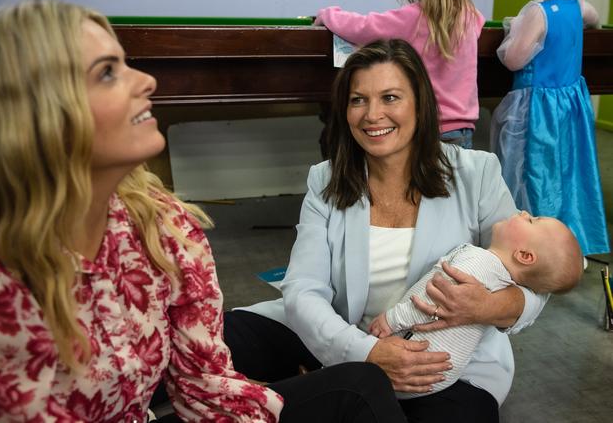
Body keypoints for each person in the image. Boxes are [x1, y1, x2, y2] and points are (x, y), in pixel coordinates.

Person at [0, 0, 408, 423]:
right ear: (33, 111)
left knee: (357, 387)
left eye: (391, 98)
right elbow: (304, 290)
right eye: (106, 73)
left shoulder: (161, 223)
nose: (146, 82)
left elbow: (204, 384)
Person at [225, 39, 549, 423]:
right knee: (212, 336)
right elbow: (304, 289)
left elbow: (533, 283)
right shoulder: (325, 178)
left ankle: (296, 393)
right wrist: (366, 352)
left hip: (445, 360)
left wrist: (489, 306)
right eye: (358, 100)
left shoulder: (476, 173)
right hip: (346, 337)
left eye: (390, 97)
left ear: (420, 103)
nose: (372, 115)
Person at [369, 210, 583, 398]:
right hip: (439, 380)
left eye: (532, 221)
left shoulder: (480, 264)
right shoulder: (501, 280)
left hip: (410, 369)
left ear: (524, 255)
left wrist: (392, 319)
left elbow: (431, 305)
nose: (525, 212)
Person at [490, 0, 609, 257]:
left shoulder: (536, 13)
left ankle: (533, 244)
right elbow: (594, 20)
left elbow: (513, 58)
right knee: (565, 172)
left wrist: (512, 29)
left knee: (530, 173)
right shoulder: (581, 7)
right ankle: (568, 240)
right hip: (570, 107)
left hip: (537, 109)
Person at [314, 0, 484, 149]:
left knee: (419, 183)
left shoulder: (413, 18)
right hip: (462, 129)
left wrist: (328, 14)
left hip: (426, 128)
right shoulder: (472, 17)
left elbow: (363, 27)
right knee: (455, 183)